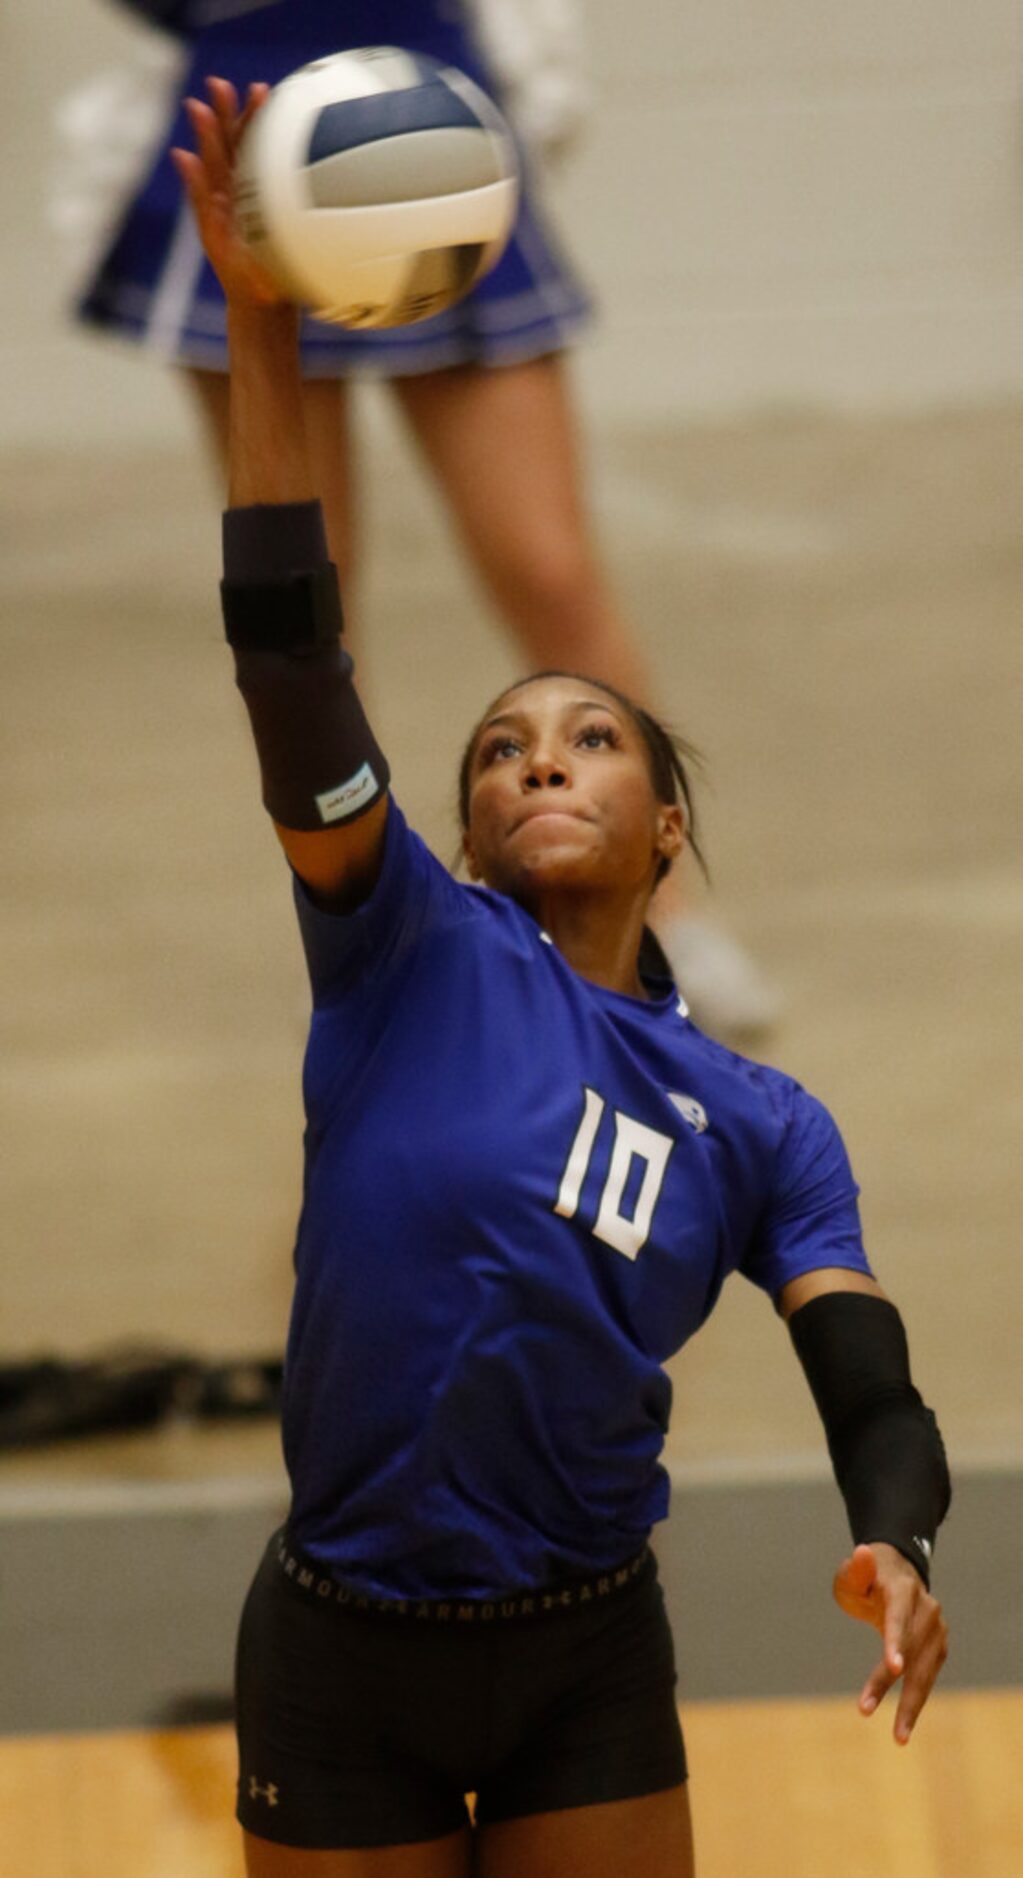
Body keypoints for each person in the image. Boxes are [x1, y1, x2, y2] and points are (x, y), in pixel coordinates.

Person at [172, 84, 950, 1877]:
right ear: (453, 833)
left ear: (659, 824)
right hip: (342, 1642)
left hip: (583, 1647)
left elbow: (863, 1372)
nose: (538, 759)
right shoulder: (403, 948)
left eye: (587, 736)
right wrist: (260, 329)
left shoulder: (757, 1118)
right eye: (501, 748)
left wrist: (894, 1533)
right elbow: (290, 660)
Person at [76, 0, 780, 1041]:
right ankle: (377, 942)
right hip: (251, 119)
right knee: (309, 609)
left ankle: (652, 910)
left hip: (424, 118)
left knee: (549, 571)